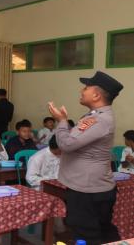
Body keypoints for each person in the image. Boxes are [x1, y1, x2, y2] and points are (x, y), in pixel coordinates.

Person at [48, 70, 123, 244]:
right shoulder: (95, 116)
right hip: (92, 187)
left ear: (96, 94)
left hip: (87, 191)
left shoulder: (99, 120)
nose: (82, 90)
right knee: (102, 232)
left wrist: (61, 121)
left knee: (87, 234)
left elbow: (66, 144)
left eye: (86, 87)